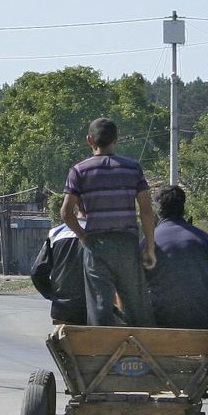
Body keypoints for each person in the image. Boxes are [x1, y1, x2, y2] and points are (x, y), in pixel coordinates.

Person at [59, 118, 156, 327]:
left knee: (99, 306)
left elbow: (66, 213)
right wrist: (149, 247)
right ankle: (141, 353)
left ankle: (102, 353)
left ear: (89, 140)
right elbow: (147, 212)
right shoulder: (133, 169)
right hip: (127, 244)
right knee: (136, 306)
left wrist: (84, 237)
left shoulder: (79, 171)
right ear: (116, 140)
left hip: (97, 245)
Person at [144, 185, 208, 329]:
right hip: (201, 320)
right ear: (183, 208)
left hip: (159, 321)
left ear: (158, 210)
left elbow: (137, 285)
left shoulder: (148, 240)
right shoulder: (202, 238)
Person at [31, 208, 87, 325]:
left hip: (63, 310)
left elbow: (37, 272)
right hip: (95, 310)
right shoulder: (103, 234)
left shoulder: (56, 233)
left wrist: (54, 296)